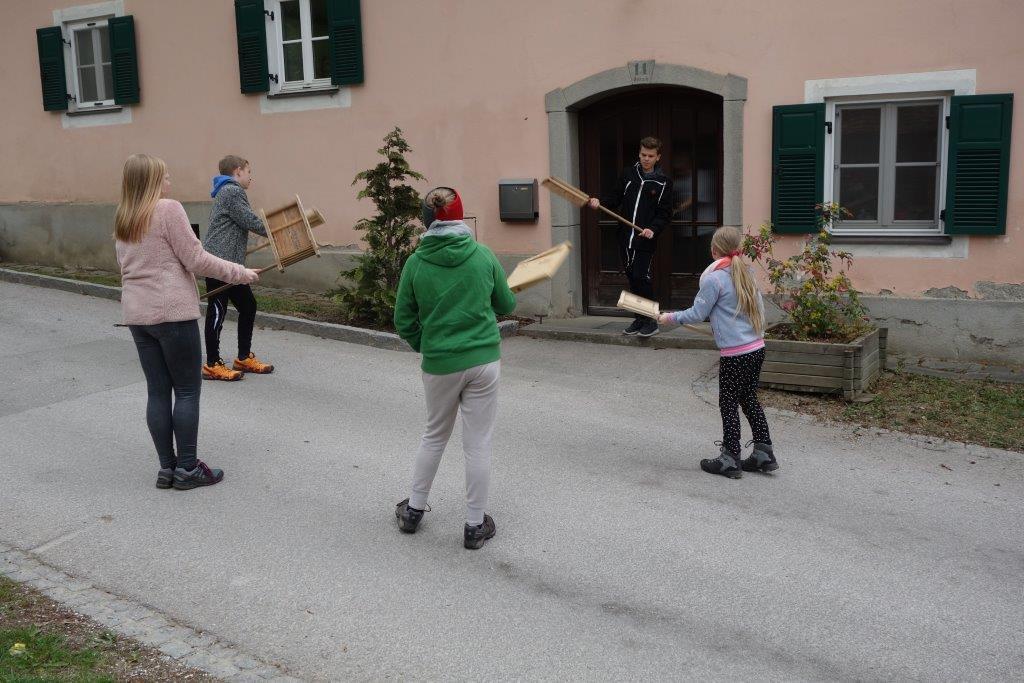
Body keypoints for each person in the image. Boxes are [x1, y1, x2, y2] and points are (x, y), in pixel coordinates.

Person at [114, 154, 259, 489]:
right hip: (172, 314)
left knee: (157, 391)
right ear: (152, 181)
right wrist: (239, 273)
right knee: (187, 390)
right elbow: (196, 259)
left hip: (138, 316)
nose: (170, 181)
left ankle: (168, 469)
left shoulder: (124, 216)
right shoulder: (168, 209)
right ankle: (189, 469)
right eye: (165, 176)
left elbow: (125, 266)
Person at [393, 187, 517, 550]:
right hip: (483, 359)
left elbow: (403, 320)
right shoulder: (482, 255)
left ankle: (413, 511)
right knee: (478, 444)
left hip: (440, 363)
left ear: (426, 221)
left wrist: (427, 345)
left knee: (434, 435)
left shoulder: (416, 263)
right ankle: (475, 526)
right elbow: (506, 303)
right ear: (461, 217)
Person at [657, 226, 779, 479]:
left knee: (728, 403)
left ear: (714, 250)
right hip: (756, 347)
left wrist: (669, 318)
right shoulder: (747, 272)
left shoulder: (714, 279)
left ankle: (730, 458)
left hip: (735, 354)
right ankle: (764, 453)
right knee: (749, 399)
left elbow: (697, 314)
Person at [588, 136, 673, 337]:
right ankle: (639, 318)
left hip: (645, 239)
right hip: (625, 236)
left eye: (650, 156)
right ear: (639, 153)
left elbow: (664, 213)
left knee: (641, 277)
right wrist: (600, 202)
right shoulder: (628, 174)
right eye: (643, 154)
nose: (646, 159)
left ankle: (651, 321)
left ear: (658, 157)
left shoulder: (663, 182)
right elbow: (615, 197)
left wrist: (653, 229)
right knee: (632, 279)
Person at [201, 155, 274, 381]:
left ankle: (243, 357)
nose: (251, 177)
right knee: (217, 311)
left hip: (231, 265)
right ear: (238, 171)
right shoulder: (232, 191)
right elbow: (250, 221)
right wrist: (278, 231)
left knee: (248, 305)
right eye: (249, 172)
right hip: (219, 263)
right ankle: (212, 364)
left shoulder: (226, 191)